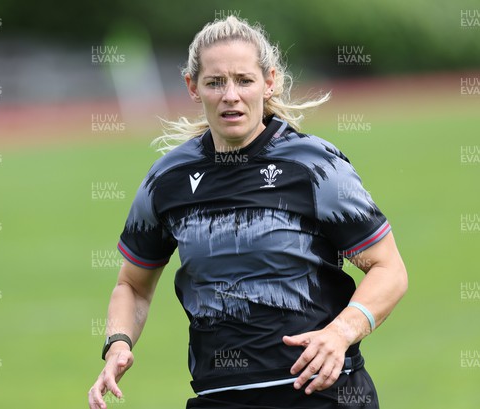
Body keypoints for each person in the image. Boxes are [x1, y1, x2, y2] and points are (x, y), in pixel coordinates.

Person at [88, 15, 407, 409]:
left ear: (269, 81)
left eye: (244, 80)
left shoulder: (315, 166)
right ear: (193, 87)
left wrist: (341, 332)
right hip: (220, 397)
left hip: (322, 394)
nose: (230, 95)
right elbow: (133, 285)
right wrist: (118, 342)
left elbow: (388, 268)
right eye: (215, 82)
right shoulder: (167, 180)